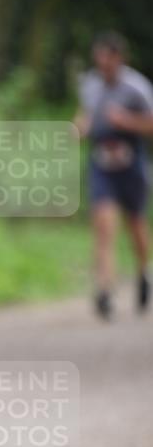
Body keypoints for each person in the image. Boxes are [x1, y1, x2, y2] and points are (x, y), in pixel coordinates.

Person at [73, 31, 153, 319]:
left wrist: (125, 120)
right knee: (104, 225)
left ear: (119, 58)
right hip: (102, 163)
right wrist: (78, 128)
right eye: (99, 59)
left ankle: (144, 272)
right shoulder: (91, 85)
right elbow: (86, 115)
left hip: (131, 164)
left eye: (108, 59)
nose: (103, 64)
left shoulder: (137, 88)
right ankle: (105, 289)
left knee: (135, 224)